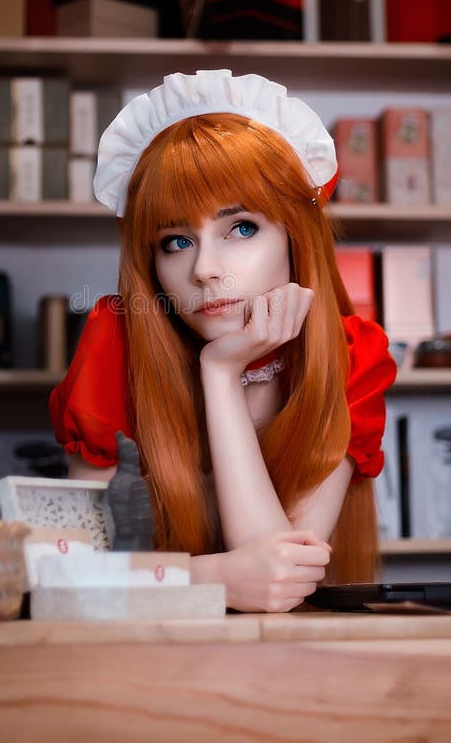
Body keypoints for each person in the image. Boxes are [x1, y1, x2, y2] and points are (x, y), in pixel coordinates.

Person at [50, 69, 396, 613]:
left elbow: (278, 575)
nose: (205, 269)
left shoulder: (351, 358)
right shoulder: (118, 344)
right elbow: (64, 578)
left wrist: (220, 374)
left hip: (299, 663)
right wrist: (209, 577)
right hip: (136, 657)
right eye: (176, 240)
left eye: (241, 228)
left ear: (294, 236)